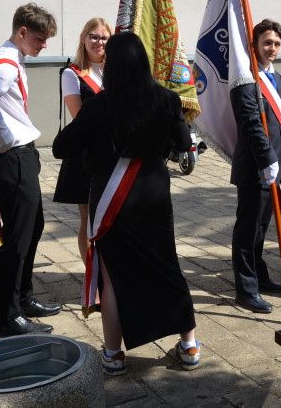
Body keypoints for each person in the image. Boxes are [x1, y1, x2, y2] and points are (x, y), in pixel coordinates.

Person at [52, 32, 199, 374]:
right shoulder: (166, 99)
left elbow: (61, 147)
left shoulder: (98, 106)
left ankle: (113, 355)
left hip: (111, 199)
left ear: (112, 64)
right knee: (167, 266)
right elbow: (181, 144)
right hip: (153, 195)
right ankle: (189, 346)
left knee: (113, 277)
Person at [0, 2, 62, 337]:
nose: (44, 45)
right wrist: (6, 137)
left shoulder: (12, 58)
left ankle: (23, 300)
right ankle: (8, 318)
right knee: (17, 240)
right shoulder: (6, 62)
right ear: (22, 32)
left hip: (20, 155)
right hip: (11, 158)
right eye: (39, 38)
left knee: (33, 227)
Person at [231, 18, 281, 314]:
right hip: (255, 166)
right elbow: (251, 123)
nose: (272, 48)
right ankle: (246, 288)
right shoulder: (246, 78)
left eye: (277, 44)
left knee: (262, 229)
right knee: (248, 230)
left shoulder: (276, 77)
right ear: (254, 45)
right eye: (267, 43)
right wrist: (268, 159)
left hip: (274, 166)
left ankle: (259, 274)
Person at [53, 17, 111, 262]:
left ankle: (111, 273)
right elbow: (79, 118)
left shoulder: (115, 70)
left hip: (113, 154)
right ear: (83, 38)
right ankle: (93, 281)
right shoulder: (72, 73)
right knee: (89, 220)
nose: (99, 42)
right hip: (86, 155)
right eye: (94, 36)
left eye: (104, 38)